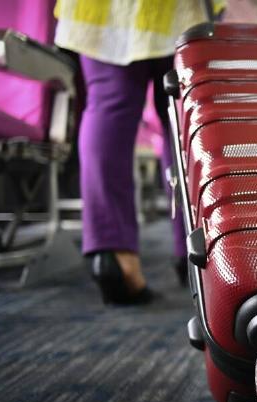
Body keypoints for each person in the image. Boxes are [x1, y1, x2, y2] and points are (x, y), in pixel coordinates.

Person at [54, 0, 221, 304]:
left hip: (103, 9)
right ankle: (196, 252)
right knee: (183, 115)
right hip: (179, 10)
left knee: (108, 104)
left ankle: (113, 255)